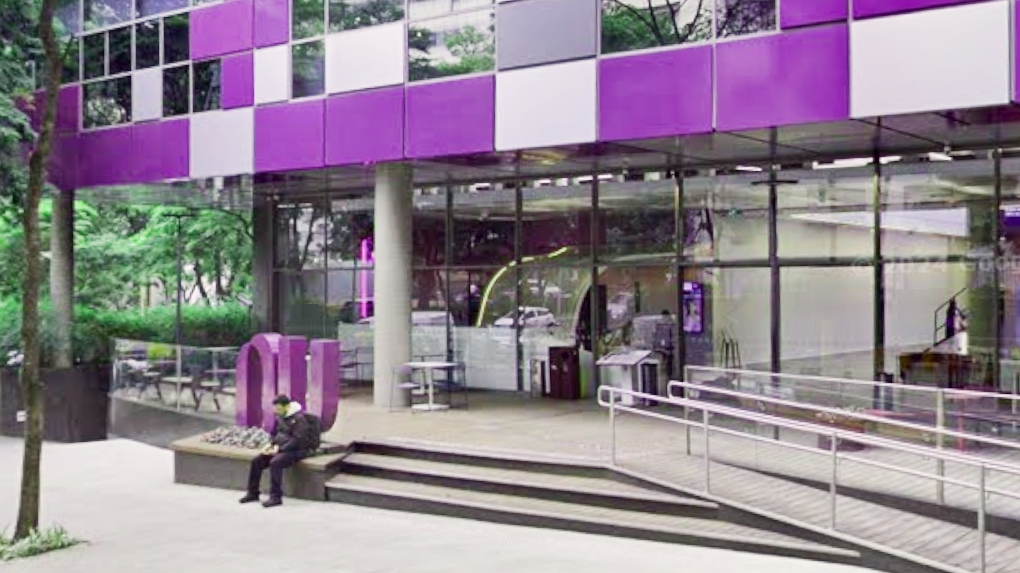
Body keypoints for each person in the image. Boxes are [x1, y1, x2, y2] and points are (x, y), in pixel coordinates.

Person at [239, 395, 316, 508]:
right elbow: (274, 434)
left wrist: (280, 449)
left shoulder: (299, 419)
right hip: (280, 448)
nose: (276, 411)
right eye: (275, 408)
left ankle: (276, 497)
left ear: (287, 406)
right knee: (257, 461)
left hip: (298, 450)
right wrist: (269, 445)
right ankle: (253, 493)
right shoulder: (279, 417)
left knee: (275, 463)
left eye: (279, 409)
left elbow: (298, 440)